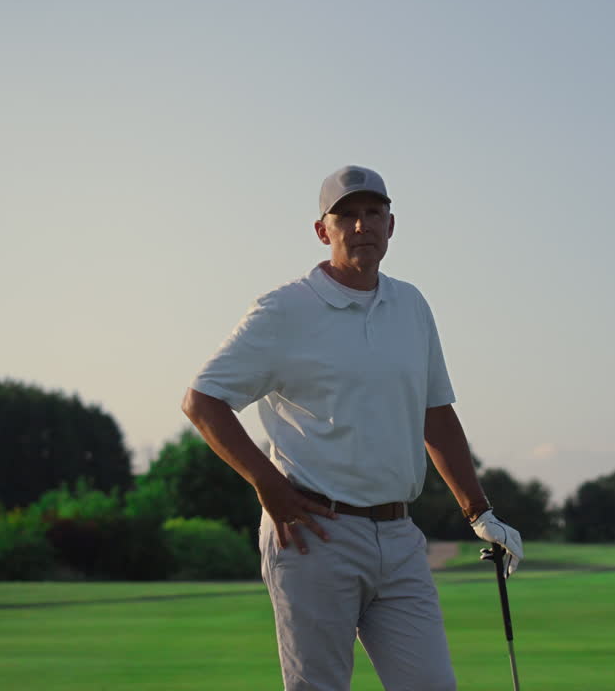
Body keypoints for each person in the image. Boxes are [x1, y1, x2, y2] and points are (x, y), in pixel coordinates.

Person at [181, 165, 524, 691]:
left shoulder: (411, 305)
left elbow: (435, 413)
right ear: (324, 230)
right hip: (314, 536)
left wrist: (479, 511)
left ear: (391, 225)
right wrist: (269, 485)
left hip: (400, 537)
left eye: (373, 213)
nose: (362, 226)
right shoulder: (285, 309)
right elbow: (203, 402)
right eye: (347, 216)